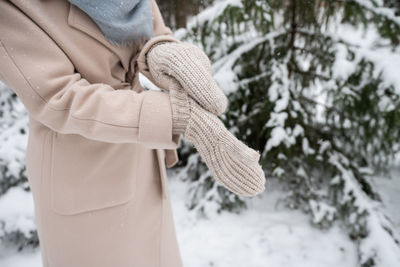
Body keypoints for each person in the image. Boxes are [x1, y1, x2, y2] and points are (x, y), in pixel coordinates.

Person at [0, 0, 265, 266]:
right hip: (85, 175)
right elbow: (58, 97)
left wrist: (161, 50)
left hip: (140, 154)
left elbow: (145, 22)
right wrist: (176, 115)